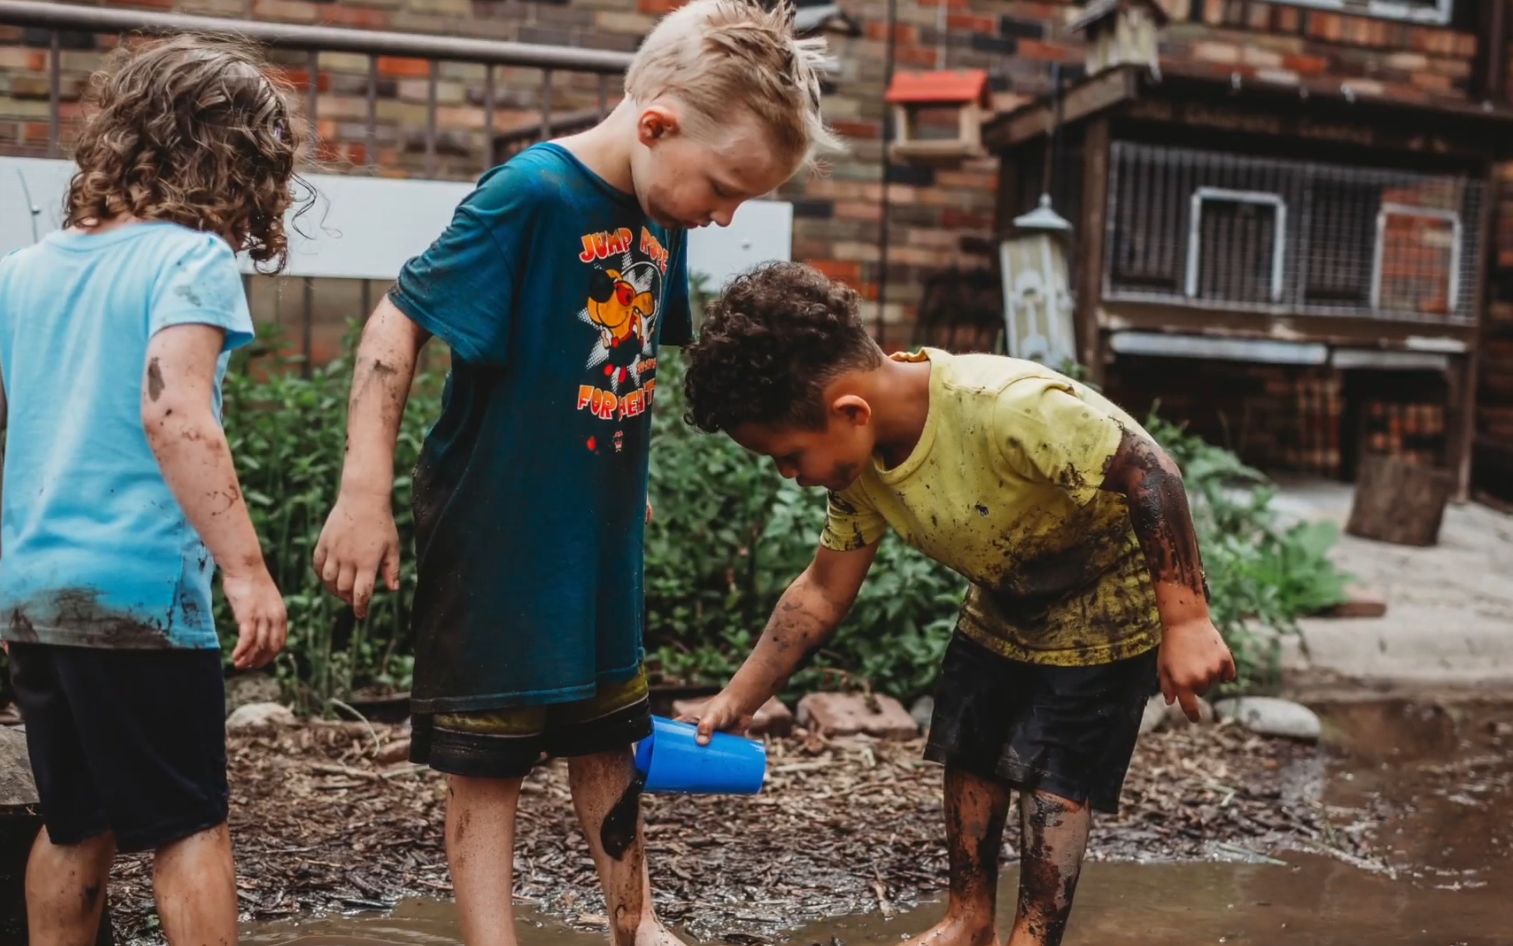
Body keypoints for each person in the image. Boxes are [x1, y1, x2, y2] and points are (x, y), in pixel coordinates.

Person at [310, 3, 837, 944]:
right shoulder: (531, 195)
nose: (722, 215)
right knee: (489, 756)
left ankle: (634, 924)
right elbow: (397, 322)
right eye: (722, 188)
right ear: (656, 122)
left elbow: (615, 367)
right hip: (497, 530)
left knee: (609, 733)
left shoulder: (656, 208)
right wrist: (363, 493)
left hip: (595, 538)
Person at [680, 262, 1237, 946]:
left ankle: (1033, 933)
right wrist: (739, 695)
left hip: (1105, 602)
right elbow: (823, 590)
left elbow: (1150, 471)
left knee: (1054, 778)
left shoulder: (1006, 405)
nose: (791, 477)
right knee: (969, 747)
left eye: (790, 457)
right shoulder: (864, 463)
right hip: (1005, 600)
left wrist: (1186, 620)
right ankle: (966, 919)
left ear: (848, 411)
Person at [0, 34, 298, 946]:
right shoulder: (188, 261)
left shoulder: (24, 271)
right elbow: (176, 415)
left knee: (74, 820)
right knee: (187, 824)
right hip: (139, 598)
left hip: (35, 591)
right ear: (237, 159)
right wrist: (245, 573)